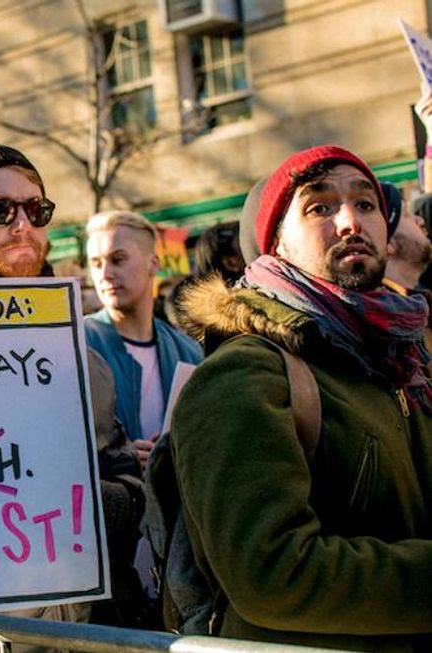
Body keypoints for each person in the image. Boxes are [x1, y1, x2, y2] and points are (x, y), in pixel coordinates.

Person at [171, 145, 432, 649]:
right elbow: (271, 574)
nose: (351, 222)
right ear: (276, 244)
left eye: (366, 204)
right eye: (320, 207)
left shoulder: (402, 363)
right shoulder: (244, 373)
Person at [0, 141, 146, 630]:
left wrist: (92, 503)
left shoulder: (82, 357)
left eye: (36, 208)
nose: (22, 224)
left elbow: (124, 478)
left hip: (84, 627)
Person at [83, 211, 202, 470]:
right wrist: (119, 457)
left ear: (154, 264)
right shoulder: (76, 344)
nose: (105, 274)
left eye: (118, 259)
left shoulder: (189, 352)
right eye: (95, 263)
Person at [381, 182, 432, 352]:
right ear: (390, 244)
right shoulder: (393, 330)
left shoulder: (416, 305)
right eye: (407, 215)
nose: (420, 220)